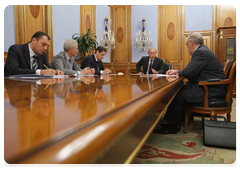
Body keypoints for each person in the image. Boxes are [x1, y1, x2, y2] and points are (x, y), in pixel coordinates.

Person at [154, 32, 227, 134]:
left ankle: (173, 126)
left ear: (191, 43)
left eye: (187, 44)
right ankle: (180, 119)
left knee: (178, 94)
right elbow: (192, 70)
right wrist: (180, 72)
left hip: (210, 90)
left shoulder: (200, 52)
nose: (187, 47)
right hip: (212, 87)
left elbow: (188, 71)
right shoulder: (203, 50)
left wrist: (179, 72)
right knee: (181, 89)